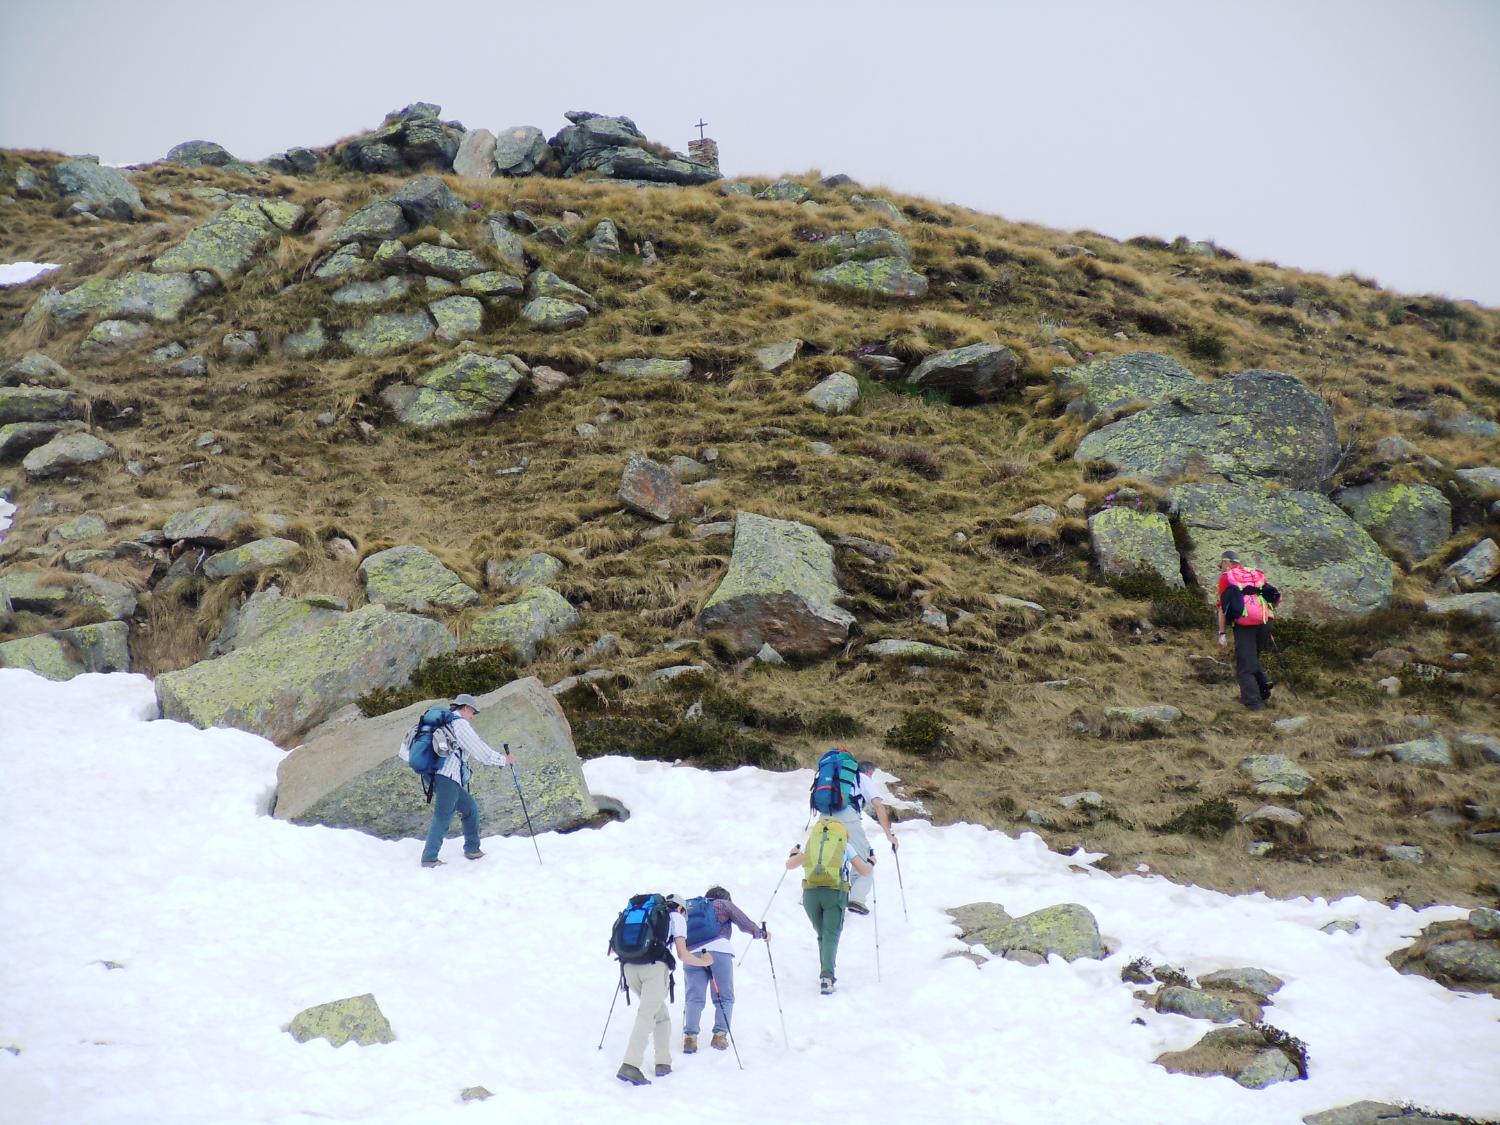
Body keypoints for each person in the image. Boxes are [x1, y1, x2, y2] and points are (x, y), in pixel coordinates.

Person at [618, 895, 713, 1086]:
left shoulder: (641, 915)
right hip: (654, 969)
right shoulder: (676, 917)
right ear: (681, 909)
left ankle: (663, 1062)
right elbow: (682, 954)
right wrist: (704, 961)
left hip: (628, 968)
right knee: (646, 1015)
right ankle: (630, 1064)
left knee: (660, 1016)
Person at [420, 693, 514, 868]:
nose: (472, 716)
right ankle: (429, 857)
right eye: (472, 712)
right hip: (446, 776)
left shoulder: (445, 722)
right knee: (443, 815)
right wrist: (503, 760)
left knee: (470, 808)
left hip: (440, 775)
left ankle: (472, 849)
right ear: (465, 708)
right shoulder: (459, 724)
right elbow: (480, 750)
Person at [786, 829, 873, 994]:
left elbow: (789, 866)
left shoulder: (813, 845)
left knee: (822, 935)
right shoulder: (845, 846)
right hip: (834, 893)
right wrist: (872, 862)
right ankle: (827, 977)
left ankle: (825, 973)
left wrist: (793, 855)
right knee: (830, 936)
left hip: (810, 895)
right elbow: (864, 871)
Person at [682, 887, 766, 1054]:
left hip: (692, 953)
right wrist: (760, 933)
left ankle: (690, 1038)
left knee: (694, 997)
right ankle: (720, 1036)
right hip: (719, 950)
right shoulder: (723, 904)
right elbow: (744, 923)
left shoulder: (692, 908)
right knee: (724, 996)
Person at [1215, 551, 1279, 711]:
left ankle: (1253, 705)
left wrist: (1222, 633)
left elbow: (1222, 608)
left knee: (1244, 667)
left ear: (1226, 563)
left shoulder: (1227, 577)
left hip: (1245, 623)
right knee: (1252, 658)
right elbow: (1274, 598)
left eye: (1220, 565)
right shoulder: (1254, 574)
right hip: (1265, 621)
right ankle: (1263, 686)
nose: (1220, 569)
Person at [834, 760, 897, 915]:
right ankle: (856, 899)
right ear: (869, 772)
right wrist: (889, 835)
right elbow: (878, 806)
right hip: (848, 818)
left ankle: (814, 893)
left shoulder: (836, 779)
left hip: (825, 818)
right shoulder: (862, 777)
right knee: (864, 860)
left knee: (829, 855)